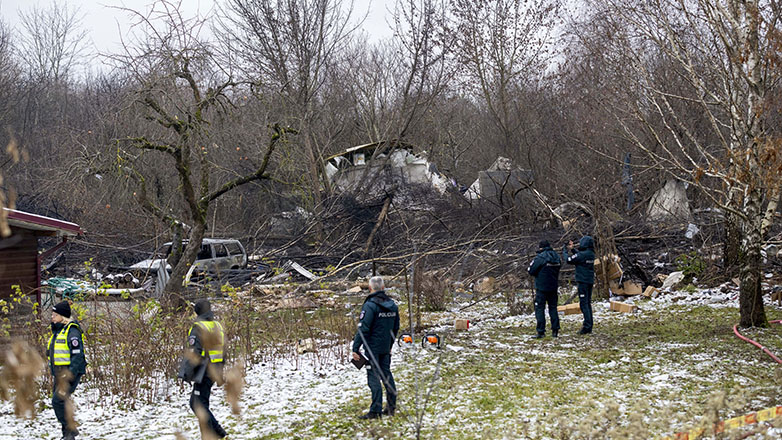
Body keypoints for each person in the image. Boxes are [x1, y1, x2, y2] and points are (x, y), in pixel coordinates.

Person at [352, 276, 400, 419]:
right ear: (383, 288)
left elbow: (363, 328)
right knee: (386, 375)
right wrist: (390, 345)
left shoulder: (370, 305)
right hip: (385, 347)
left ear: (370, 288)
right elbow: (396, 327)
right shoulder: (393, 305)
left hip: (372, 348)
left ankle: (375, 411)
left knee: (373, 378)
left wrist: (355, 348)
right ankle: (391, 408)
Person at [179, 299, 227, 439]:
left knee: (199, 404)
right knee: (196, 402)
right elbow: (223, 350)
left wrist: (186, 373)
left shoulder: (198, 327)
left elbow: (195, 352)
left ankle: (212, 434)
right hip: (215, 369)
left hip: (204, 370)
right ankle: (218, 432)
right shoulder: (217, 325)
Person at [47, 301, 86, 440]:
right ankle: (68, 435)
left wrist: (70, 374)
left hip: (69, 372)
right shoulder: (58, 330)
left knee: (58, 401)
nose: (52, 317)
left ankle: (70, 430)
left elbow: (78, 356)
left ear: (62, 316)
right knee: (62, 402)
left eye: (55, 314)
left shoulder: (72, 331)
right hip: (59, 373)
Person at [527, 240, 561, 338]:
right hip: (553, 286)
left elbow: (531, 270)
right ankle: (555, 330)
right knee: (553, 308)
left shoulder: (540, 258)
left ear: (540, 248)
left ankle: (541, 331)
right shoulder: (556, 257)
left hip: (541, 288)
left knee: (540, 309)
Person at [563, 236, 596, 334]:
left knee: (584, 304)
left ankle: (587, 326)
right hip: (589, 281)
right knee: (587, 303)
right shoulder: (590, 254)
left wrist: (565, 251)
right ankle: (589, 325)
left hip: (583, 281)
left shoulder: (583, 255)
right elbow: (579, 256)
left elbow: (569, 260)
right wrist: (573, 249)